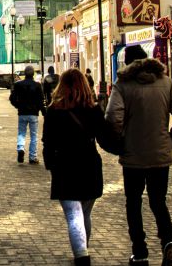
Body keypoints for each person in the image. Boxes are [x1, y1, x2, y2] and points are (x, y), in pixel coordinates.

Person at [105, 44, 172, 266]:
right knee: (158, 201)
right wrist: (171, 140)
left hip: (133, 157)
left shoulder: (123, 84)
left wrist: (120, 141)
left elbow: (113, 118)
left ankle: (140, 252)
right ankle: (168, 241)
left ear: (127, 63)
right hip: (160, 155)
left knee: (133, 203)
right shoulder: (166, 82)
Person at [42, 68, 106, 266]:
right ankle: (83, 249)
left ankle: (81, 254)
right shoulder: (93, 110)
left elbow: (48, 142)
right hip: (89, 164)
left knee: (73, 213)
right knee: (84, 213)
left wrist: (50, 165)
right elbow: (105, 138)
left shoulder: (54, 111)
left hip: (64, 166)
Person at [10, 65, 45, 164]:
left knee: (21, 133)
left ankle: (20, 148)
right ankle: (32, 157)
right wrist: (43, 111)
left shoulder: (18, 85)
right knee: (34, 135)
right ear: (33, 74)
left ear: (25, 73)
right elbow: (41, 100)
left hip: (22, 112)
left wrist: (17, 106)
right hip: (33, 113)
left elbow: (12, 98)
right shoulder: (37, 85)